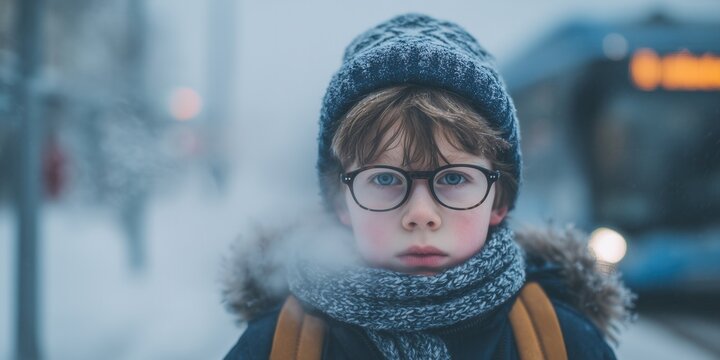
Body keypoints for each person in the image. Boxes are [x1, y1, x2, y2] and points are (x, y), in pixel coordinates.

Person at [222, 13, 633, 359]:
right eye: (384, 178)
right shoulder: (277, 345)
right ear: (341, 200)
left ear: (499, 199)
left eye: (454, 178)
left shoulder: (562, 342)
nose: (421, 214)